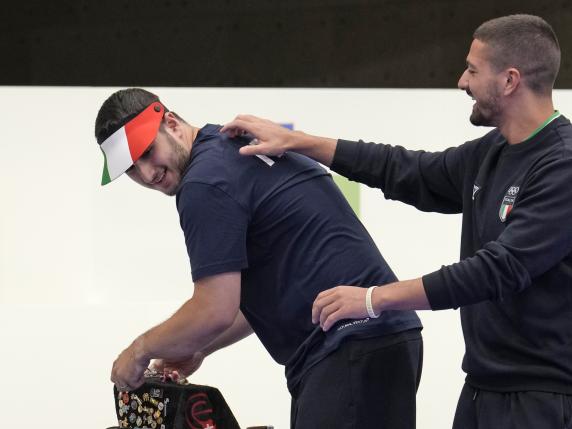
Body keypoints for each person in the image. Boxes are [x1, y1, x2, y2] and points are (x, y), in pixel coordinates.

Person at [221, 14, 572, 429]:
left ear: (510, 80)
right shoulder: (493, 151)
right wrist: (300, 142)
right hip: (481, 387)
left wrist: (374, 299)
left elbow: (498, 270)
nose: (462, 81)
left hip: (541, 399)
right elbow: (406, 170)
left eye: (473, 71)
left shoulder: (561, 166)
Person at [94, 88, 423, 428]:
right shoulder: (234, 151)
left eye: (148, 152)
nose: (148, 174)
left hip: (349, 347)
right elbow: (258, 299)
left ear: (172, 124)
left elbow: (214, 309)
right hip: (380, 339)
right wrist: (199, 349)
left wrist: (139, 350)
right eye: (132, 168)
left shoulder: (204, 182)